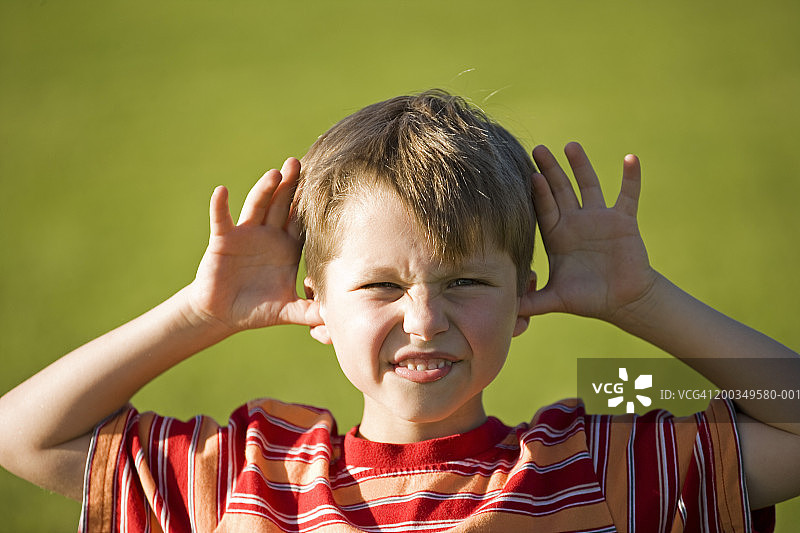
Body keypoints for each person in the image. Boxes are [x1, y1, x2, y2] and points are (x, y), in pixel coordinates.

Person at [0, 89, 797, 532]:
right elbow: (22, 435)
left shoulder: (586, 467)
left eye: (466, 283)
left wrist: (641, 301)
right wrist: (198, 314)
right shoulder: (252, 477)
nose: (424, 320)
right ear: (315, 303)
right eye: (381, 286)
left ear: (523, 297)